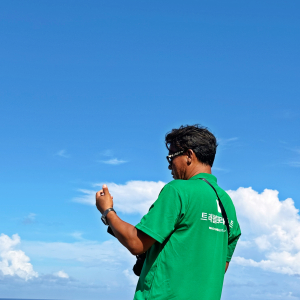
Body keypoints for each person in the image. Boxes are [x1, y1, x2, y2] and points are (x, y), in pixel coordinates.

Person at [96, 124, 241, 300]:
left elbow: (136, 243)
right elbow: (219, 267)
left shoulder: (178, 190)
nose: (169, 166)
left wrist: (107, 211)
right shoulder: (227, 203)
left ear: (189, 155)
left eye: (170, 157)